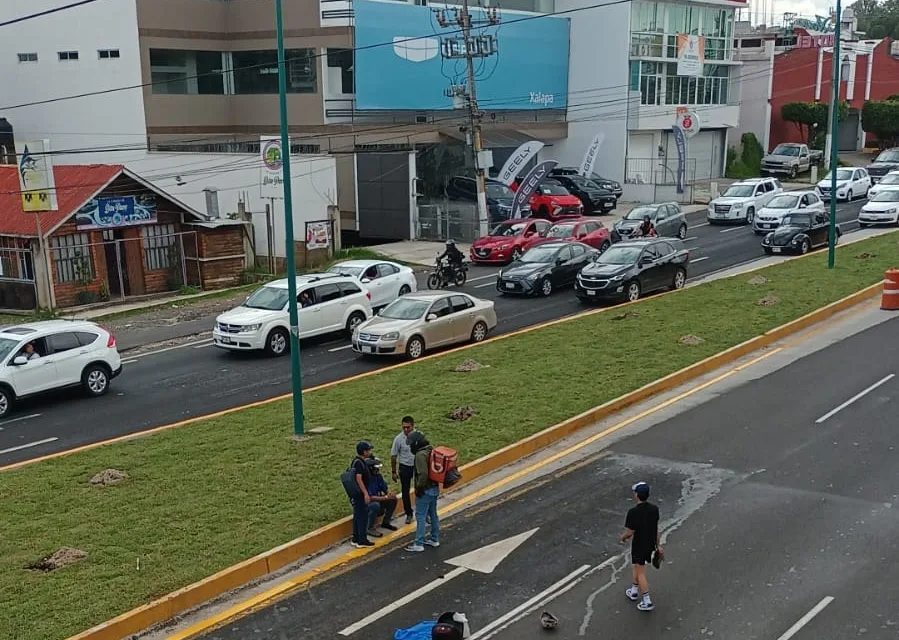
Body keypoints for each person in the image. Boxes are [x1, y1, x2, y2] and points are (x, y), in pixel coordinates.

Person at [620, 482, 661, 611]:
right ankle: (633, 590)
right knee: (637, 567)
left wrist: (623, 537)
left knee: (641, 572)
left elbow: (630, 532)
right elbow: (655, 529)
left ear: (637, 495)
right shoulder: (654, 509)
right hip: (650, 543)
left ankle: (647, 600)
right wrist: (658, 545)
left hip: (639, 545)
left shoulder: (633, 512)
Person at [404, 430, 439, 552]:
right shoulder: (431, 450)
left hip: (425, 490)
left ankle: (419, 543)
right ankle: (434, 539)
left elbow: (423, 474)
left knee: (420, 516)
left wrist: (418, 488)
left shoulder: (420, 455)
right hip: (434, 488)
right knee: (433, 514)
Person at [390, 416, 417, 524]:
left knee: (420, 489)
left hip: (416, 466)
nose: (405, 430)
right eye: (404, 427)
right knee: (405, 491)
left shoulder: (418, 436)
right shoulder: (398, 439)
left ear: (413, 426)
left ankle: (423, 512)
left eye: (408, 427)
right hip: (404, 467)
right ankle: (409, 513)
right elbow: (393, 456)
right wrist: (393, 472)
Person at [349, 441, 375, 548]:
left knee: (357, 516)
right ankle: (362, 540)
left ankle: (356, 538)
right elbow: (359, 479)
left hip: (357, 494)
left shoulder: (356, 461)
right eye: (368, 450)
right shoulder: (359, 463)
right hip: (360, 494)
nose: (369, 452)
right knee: (362, 517)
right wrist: (365, 493)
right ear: (364, 451)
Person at [364, 457, 398, 537]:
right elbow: (371, 497)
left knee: (393, 499)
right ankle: (369, 528)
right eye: (376, 469)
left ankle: (386, 522)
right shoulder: (366, 480)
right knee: (375, 505)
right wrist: (385, 498)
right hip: (367, 504)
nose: (377, 470)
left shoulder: (378, 477)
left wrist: (389, 494)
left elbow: (384, 488)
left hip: (378, 499)